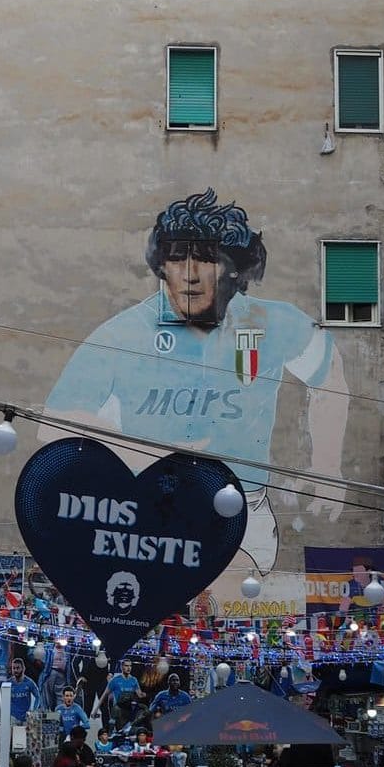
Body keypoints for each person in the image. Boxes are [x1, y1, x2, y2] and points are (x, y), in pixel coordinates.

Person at [43, 189, 351, 588]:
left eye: (206, 257)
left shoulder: (267, 323)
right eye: (176, 257)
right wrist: (146, 455)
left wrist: (327, 466)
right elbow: (54, 424)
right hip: (148, 518)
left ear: (233, 268)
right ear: (161, 265)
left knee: (227, 600)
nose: (190, 272)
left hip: (244, 513)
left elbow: (329, 372)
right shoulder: (121, 335)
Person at [8, 659, 40, 724]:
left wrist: (34, 710)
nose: (15, 670)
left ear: (23, 669)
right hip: (13, 717)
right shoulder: (8, 683)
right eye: (13, 668)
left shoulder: (29, 683)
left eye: (18, 668)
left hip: (26, 717)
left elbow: (38, 696)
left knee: (25, 733)